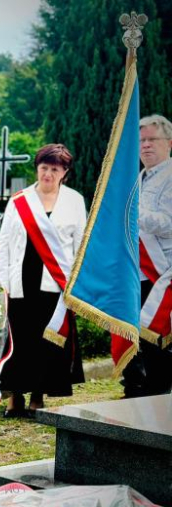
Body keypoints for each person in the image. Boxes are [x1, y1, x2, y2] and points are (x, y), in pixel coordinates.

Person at [0, 144, 86, 416]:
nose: (48, 173)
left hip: (55, 284)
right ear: (37, 168)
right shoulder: (19, 200)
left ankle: (38, 394)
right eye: (44, 167)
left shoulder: (74, 201)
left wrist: (76, 285)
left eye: (54, 169)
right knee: (18, 340)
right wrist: (2, 282)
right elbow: (4, 244)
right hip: (20, 281)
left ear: (64, 172)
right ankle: (14, 395)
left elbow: (80, 246)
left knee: (45, 341)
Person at [121, 114, 172, 397]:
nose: (146, 146)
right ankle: (135, 390)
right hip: (135, 272)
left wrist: (135, 215)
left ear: (170, 143)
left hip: (162, 272)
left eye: (153, 139)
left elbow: (168, 222)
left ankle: (158, 396)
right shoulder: (137, 178)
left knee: (158, 341)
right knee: (133, 336)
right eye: (141, 140)